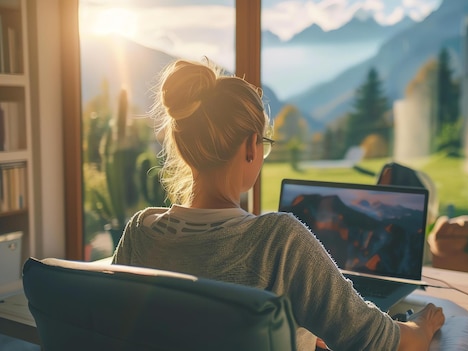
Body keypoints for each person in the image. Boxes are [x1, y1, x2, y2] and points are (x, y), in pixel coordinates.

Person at [112, 58, 445, 351]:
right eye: (263, 144)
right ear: (250, 147)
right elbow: (381, 344)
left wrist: (297, 332)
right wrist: (423, 324)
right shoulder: (278, 242)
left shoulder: (139, 233)